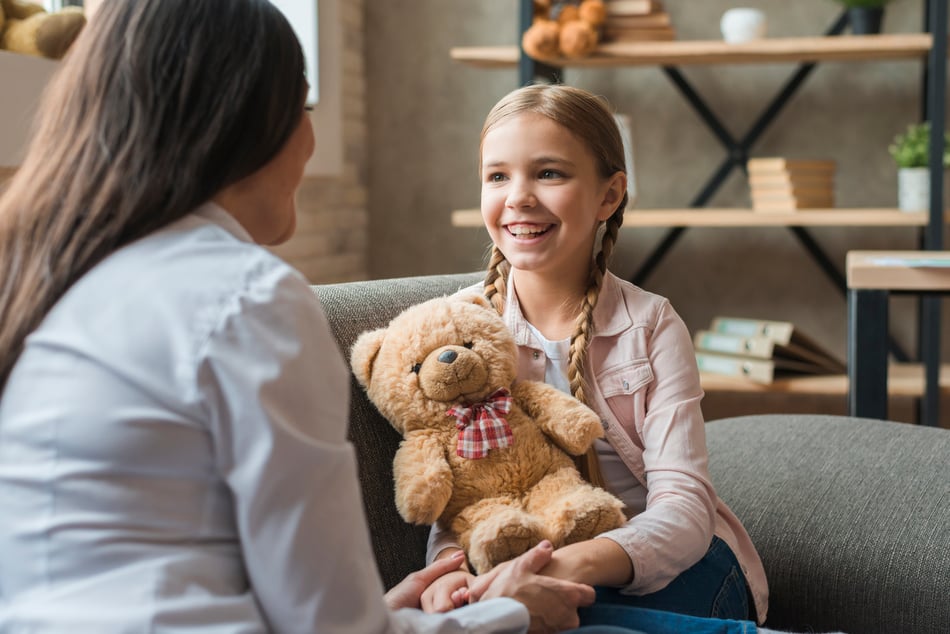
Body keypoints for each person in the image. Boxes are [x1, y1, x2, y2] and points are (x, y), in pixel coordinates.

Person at [0, 2, 607, 632]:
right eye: (304, 106)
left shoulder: (52, 283)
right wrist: (510, 615)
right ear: (246, 123)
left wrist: (380, 611)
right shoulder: (246, 299)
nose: (311, 136)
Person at [420, 84, 770, 631]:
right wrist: (447, 572)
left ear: (609, 196)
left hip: (668, 563)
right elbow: (455, 492)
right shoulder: (455, 334)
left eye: (549, 173)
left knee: (569, 617)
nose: (518, 196)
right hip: (518, 568)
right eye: (497, 176)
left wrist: (557, 569)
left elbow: (683, 509)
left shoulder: (652, 324)